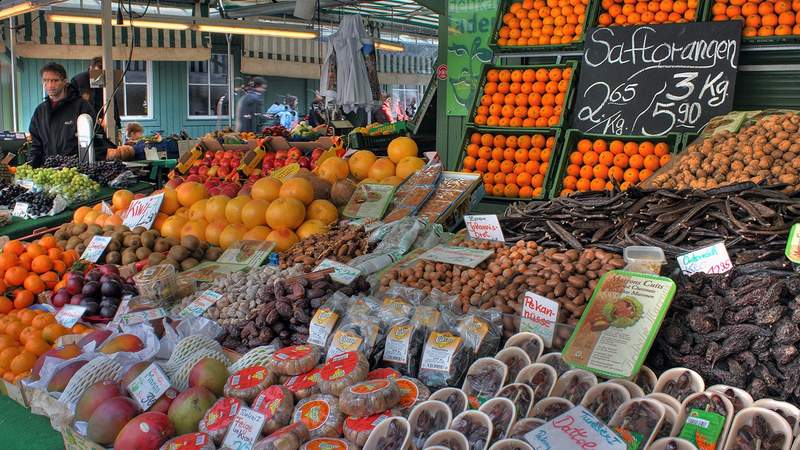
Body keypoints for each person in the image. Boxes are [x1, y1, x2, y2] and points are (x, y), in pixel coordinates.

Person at [28, 62, 96, 167]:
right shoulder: (40, 112)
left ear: (64, 82)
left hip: (76, 172)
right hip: (49, 173)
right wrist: (30, 167)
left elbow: (95, 140)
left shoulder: (82, 107)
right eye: (46, 80)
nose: (50, 85)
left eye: (55, 80)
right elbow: (36, 146)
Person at [71, 56, 120, 133]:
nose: (101, 76)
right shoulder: (78, 80)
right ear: (91, 68)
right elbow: (73, 105)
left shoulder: (108, 78)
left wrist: (118, 126)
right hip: (85, 124)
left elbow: (113, 103)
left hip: (105, 124)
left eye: (103, 73)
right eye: (98, 73)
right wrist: (95, 119)